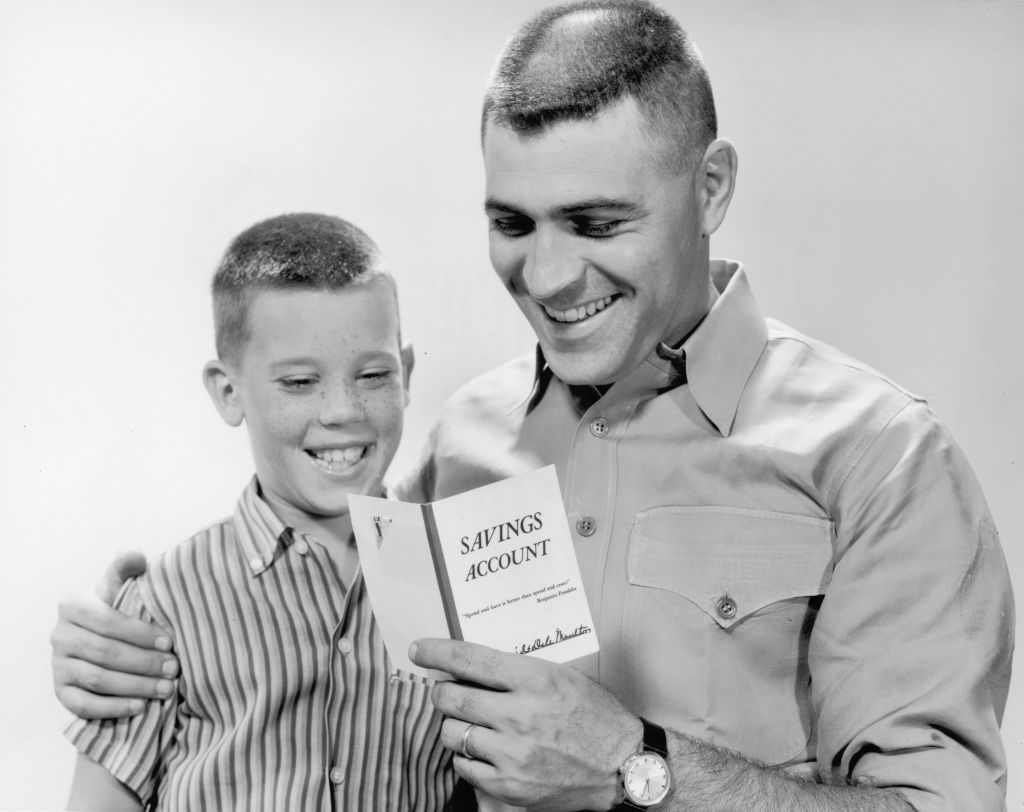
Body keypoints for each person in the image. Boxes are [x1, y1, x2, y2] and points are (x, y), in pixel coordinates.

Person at [52, 2, 1014, 810]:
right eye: (512, 223)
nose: (547, 277)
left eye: (598, 222)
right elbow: (317, 637)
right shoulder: (460, 441)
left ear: (710, 187)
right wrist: (131, 640)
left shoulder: (880, 456)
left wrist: (634, 765)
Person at [61, 213, 460, 810]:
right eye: (299, 382)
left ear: (406, 374)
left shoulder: (462, 576)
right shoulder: (162, 604)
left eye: (373, 375)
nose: (341, 411)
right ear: (228, 391)